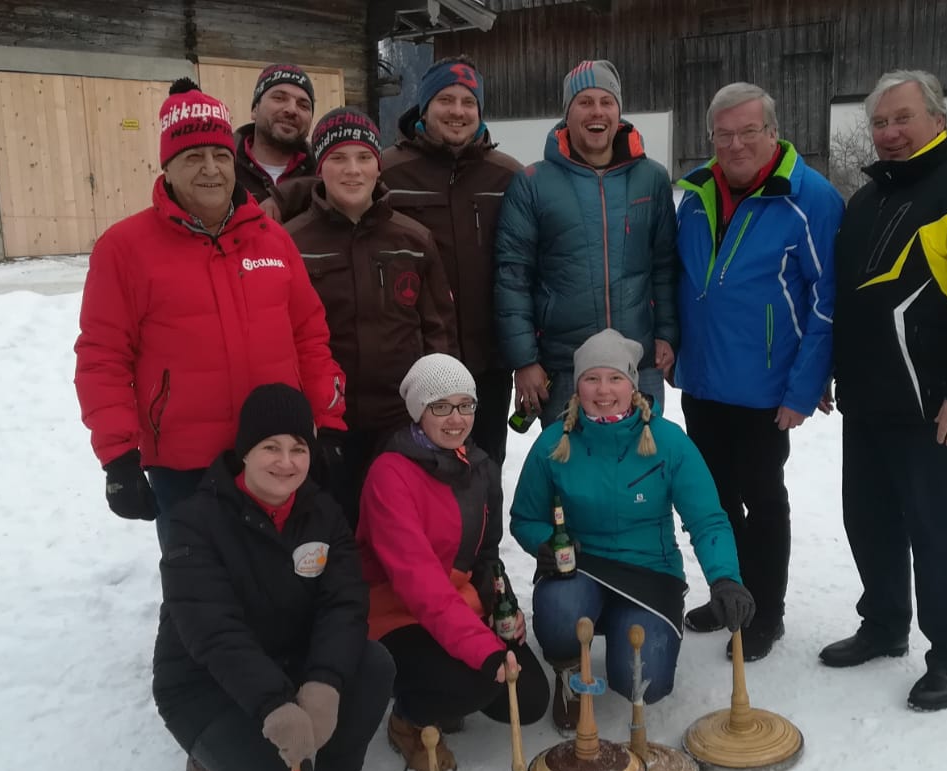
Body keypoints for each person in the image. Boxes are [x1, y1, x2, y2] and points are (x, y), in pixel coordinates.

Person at [821, 70, 947, 712]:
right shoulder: (866, 203)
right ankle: (884, 626)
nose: (889, 133)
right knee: (870, 521)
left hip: (935, 406)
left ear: (938, 120)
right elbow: (851, 304)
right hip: (868, 402)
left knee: (938, 529)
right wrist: (830, 372)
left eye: (902, 118)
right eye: (880, 123)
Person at [74, 78, 346, 551]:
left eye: (220, 156)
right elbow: (103, 356)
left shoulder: (272, 239)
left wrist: (330, 420)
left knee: (274, 582)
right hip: (183, 463)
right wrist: (118, 456)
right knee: (198, 588)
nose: (211, 170)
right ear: (168, 168)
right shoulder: (124, 249)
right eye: (193, 157)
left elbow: (309, 337)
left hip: (269, 452)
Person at [155, 383, 394, 771]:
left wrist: (324, 681)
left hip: (292, 659)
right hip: (205, 683)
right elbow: (214, 632)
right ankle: (218, 770)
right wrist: (273, 703)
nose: (286, 462)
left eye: (298, 448)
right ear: (245, 451)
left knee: (373, 664)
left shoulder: (322, 513)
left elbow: (344, 602)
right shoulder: (194, 523)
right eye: (271, 447)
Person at [673, 82, 846, 664]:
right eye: (724, 134)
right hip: (702, 381)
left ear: (773, 131)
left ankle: (764, 612)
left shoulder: (810, 199)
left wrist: (803, 387)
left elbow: (828, 302)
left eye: (749, 131)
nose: (737, 144)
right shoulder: (696, 195)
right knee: (711, 500)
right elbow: (681, 280)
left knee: (762, 499)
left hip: (765, 389)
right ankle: (730, 596)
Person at [509, 330, 754, 731]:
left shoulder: (667, 441)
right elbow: (524, 517)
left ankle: (627, 631)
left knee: (646, 679)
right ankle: (569, 674)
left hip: (648, 570)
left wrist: (725, 577)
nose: (603, 391)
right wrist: (545, 544)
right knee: (558, 616)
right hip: (579, 566)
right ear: (577, 384)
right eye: (591, 379)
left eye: (614, 378)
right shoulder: (555, 442)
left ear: (632, 384)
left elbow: (707, 518)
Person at [357, 354, 551, 771]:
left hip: (455, 605)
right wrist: (484, 652)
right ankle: (407, 720)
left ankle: (450, 683)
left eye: (466, 405)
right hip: (396, 614)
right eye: (440, 406)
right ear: (419, 411)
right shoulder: (390, 475)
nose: (456, 419)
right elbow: (420, 585)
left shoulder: (477, 467)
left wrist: (505, 606)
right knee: (479, 679)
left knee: (530, 697)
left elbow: (486, 556)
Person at [285, 107, 458, 527]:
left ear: (378, 167)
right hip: (325, 424)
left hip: (398, 419)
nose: (352, 171)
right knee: (332, 526)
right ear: (319, 167)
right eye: (338, 158)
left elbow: (438, 331)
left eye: (363, 158)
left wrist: (435, 406)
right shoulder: (290, 242)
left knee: (397, 524)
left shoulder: (413, 239)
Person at [495, 60, 678, 426]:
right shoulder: (533, 183)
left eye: (606, 101)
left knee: (640, 473)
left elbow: (665, 265)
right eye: (585, 102)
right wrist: (525, 360)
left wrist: (667, 334)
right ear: (567, 112)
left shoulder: (651, 179)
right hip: (564, 368)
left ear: (619, 111)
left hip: (638, 365)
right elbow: (512, 276)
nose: (597, 112)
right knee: (569, 475)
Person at [382, 57, 522, 465]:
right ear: (424, 108)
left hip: (487, 362)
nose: (457, 111)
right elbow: (329, 192)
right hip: (413, 359)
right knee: (416, 471)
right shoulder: (388, 172)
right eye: (445, 99)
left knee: (482, 465)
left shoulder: (507, 176)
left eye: (468, 101)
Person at [235, 63, 317, 202]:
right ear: (255, 109)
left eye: (303, 105)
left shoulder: (324, 176)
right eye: (279, 98)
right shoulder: (223, 168)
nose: (292, 110)